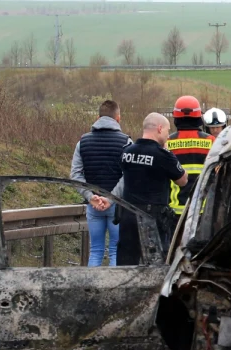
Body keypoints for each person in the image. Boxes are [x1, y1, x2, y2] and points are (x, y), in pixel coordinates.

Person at [114, 113, 187, 266]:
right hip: (152, 218)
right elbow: (182, 180)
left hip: (128, 215)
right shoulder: (163, 155)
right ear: (160, 129)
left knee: (126, 263)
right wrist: (168, 152)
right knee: (156, 265)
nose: (168, 136)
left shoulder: (127, 151)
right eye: (167, 131)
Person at [69, 99, 131, 266]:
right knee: (115, 251)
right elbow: (128, 176)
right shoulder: (126, 143)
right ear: (118, 118)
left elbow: (75, 175)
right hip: (116, 207)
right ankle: (114, 290)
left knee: (95, 251)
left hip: (93, 206)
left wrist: (91, 197)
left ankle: (91, 290)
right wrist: (110, 199)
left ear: (98, 117)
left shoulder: (82, 142)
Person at [165, 95, 213, 214]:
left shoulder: (167, 143)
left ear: (176, 117)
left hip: (174, 210)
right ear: (199, 117)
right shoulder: (211, 141)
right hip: (202, 210)